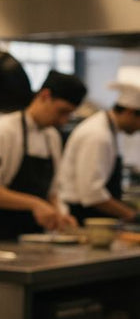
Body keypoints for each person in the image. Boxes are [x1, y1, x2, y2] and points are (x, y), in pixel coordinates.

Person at [0, 70, 87, 242]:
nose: (63, 120)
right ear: (45, 96)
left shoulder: (52, 137)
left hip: (34, 240)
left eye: (69, 115)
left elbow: (51, 193)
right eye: (62, 111)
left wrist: (59, 214)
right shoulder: (2, 131)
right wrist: (35, 204)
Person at [59, 66, 140, 224]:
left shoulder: (107, 130)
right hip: (84, 218)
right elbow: (92, 195)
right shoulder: (98, 135)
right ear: (130, 112)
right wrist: (132, 215)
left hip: (92, 215)